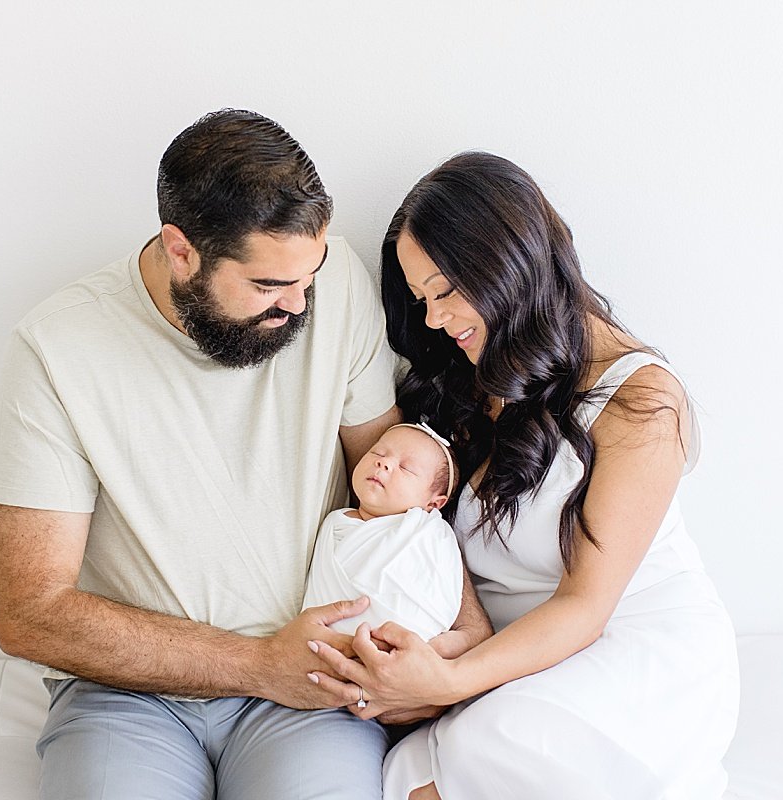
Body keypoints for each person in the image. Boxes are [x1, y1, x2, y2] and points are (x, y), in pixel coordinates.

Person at [0, 110, 489, 800]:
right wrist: (256, 664)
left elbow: (397, 493)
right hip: (127, 696)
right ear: (181, 249)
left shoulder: (330, 289)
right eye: (269, 286)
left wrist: (461, 643)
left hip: (311, 686)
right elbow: (28, 609)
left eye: (309, 276)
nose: (299, 304)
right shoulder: (58, 348)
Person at [308, 152, 740, 799]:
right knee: (408, 774)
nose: (432, 319)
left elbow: (585, 605)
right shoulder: (466, 372)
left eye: (445, 292)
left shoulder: (640, 401)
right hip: (509, 655)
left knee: (491, 753)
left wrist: (448, 682)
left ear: (508, 264)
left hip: (628, 643)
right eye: (422, 297)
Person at [303, 422, 465, 642]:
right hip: (320, 643)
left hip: (398, 648)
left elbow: (436, 600)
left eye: (406, 468)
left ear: (434, 504)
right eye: (377, 452)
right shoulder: (334, 521)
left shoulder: (427, 533)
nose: (384, 462)